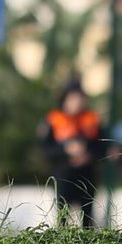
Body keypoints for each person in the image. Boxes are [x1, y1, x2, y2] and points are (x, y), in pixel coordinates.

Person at [38, 81, 103, 228]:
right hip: (64, 175)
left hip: (87, 175)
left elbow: (102, 147)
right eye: (73, 98)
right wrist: (65, 150)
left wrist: (88, 156)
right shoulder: (54, 119)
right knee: (62, 217)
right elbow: (45, 150)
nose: (77, 102)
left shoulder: (92, 119)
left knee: (87, 218)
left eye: (80, 98)